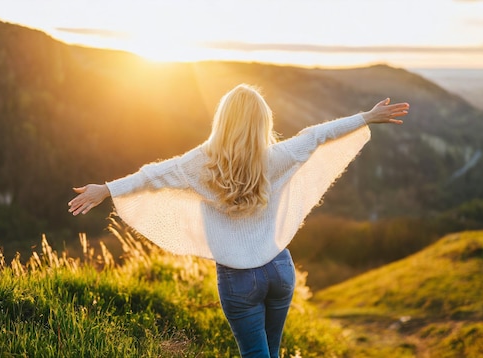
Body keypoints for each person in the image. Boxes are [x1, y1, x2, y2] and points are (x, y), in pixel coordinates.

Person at [68, 83, 409, 357]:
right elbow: (317, 135)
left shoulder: (200, 164)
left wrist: (107, 189)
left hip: (238, 280)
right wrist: (366, 116)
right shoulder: (278, 156)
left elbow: (152, 176)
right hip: (279, 269)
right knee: (272, 352)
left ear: (222, 121)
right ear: (264, 123)